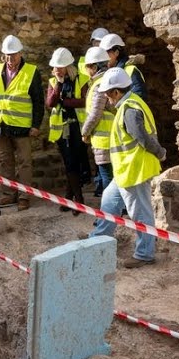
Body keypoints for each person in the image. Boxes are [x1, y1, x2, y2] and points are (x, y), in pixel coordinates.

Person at [89, 67, 166, 268]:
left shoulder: (130, 109)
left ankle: (144, 254)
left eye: (108, 93)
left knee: (141, 215)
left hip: (134, 170)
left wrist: (160, 152)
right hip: (125, 171)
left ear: (116, 92)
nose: (106, 97)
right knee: (108, 204)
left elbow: (142, 138)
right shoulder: (129, 104)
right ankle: (95, 242)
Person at [0, 35, 44, 211]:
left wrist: (36, 125)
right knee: (5, 161)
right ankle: (8, 194)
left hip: (22, 126)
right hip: (2, 124)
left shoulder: (31, 71)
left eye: (13, 55)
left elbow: (38, 101)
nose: (10, 59)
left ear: (20, 53)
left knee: (25, 162)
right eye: (7, 55)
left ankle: (24, 196)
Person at [45, 48, 89, 215]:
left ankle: (72, 199)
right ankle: (77, 199)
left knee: (75, 162)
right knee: (69, 162)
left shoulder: (82, 79)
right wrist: (58, 85)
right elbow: (50, 102)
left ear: (69, 66)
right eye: (55, 67)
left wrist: (67, 102)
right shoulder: (53, 81)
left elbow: (85, 101)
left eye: (60, 67)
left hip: (78, 127)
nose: (57, 70)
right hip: (62, 129)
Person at [79, 45, 115, 201]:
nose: (86, 69)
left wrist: (85, 132)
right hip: (110, 137)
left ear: (94, 66)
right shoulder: (108, 80)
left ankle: (109, 213)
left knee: (108, 177)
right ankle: (117, 210)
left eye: (88, 66)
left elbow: (95, 114)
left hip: (104, 139)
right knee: (112, 176)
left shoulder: (100, 84)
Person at [99, 33, 146, 99]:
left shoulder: (131, 71)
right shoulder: (110, 72)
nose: (104, 58)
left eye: (106, 53)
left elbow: (139, 95)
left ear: (117, 52)